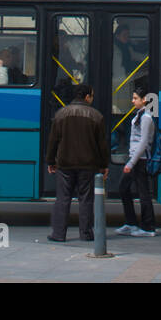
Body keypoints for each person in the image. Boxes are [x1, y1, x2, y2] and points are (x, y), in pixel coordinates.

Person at [45, 83, 109, 243]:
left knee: (63, 198)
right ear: (87, 97)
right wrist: (104, 165)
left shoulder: (61, 114)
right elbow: (102, 144)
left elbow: (53, 140)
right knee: (86, 199)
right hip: (88, 164)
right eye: (92, 96)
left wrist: (51, 161)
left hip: (65, 163)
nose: (92, 99)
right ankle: (86, 234)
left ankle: (59, 233)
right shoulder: (96, 116)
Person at [116, 85, 157, 237]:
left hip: (140, 160)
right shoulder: (139, 115)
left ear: (144, 100)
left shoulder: (146, 118)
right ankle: (131, 223)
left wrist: (130, 163)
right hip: (135, 158)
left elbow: (143, 142)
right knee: (124, 189)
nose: (132, 101)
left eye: (135, 98)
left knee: (143, 193)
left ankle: (148, 227)